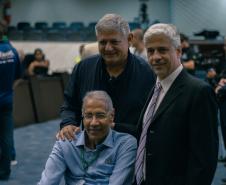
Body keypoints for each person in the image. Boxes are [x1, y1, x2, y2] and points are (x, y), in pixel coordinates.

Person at [134, 23, 219, 185]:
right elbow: (150, 133)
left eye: (162, 50)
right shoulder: (155, 88)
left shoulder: (199, 92)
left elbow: (204, 162)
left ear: (178, 51)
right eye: (150, 51)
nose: (155, 56)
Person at [57, 13, 155, 140]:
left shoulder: (147, 73)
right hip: (90, 150)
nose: (108, 48)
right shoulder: (83, 68)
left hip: (132, 151)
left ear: (129, 39)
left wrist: (116, 127)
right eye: (103, 42)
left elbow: (151, 122)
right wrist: (68, 123)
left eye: (114, 42)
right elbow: (69, 105)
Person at [38, 90, 137, 185]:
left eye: (100, 115)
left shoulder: (125, 145)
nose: (93, 123)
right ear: (82, 116)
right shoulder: (66, 143)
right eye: (88, 116)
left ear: (111, 116)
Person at [0, 20, 21, 180]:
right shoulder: (13, 51)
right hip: (7, 100)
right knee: (6, 137)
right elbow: (19, 76)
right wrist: (10, 89)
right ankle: (5, 172)